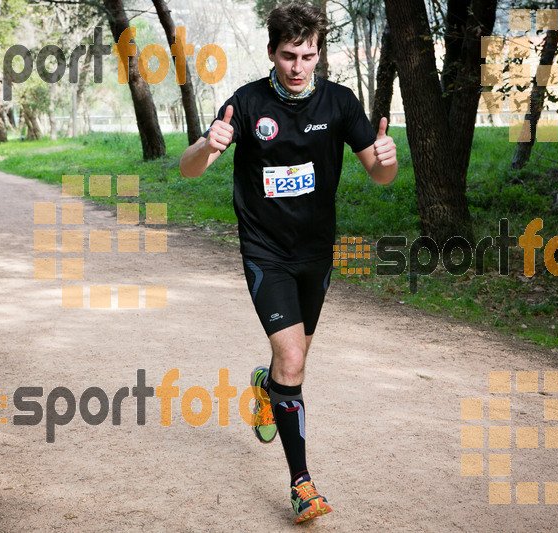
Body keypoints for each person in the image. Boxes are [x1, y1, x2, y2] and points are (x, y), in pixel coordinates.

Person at [179, 2, 397, 524]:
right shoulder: (247, 104)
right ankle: (302, 485)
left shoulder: (340, 102)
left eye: (308, 54)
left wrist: (386, 161)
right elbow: (189, 170)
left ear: (319, 51)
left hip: (316, 252)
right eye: (288, 55)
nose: (299, 66)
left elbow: (379, 176)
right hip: (265, 251)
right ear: (272, 52)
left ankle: (265, 384)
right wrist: (206, 144)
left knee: (291, 362)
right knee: (294, 361)